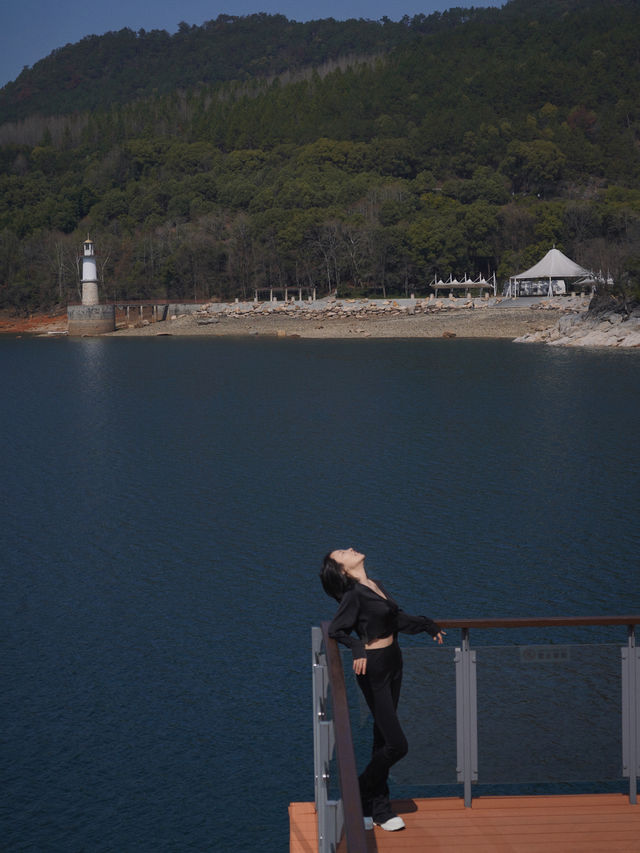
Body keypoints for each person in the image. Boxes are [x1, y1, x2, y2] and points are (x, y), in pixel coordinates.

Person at [320, 547, 444, 832]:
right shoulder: (353, 595)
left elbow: (395, 619)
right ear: (341, 570)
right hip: (373, 668)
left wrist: (426, 625)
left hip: (394, 662)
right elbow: (336, 630)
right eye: (342, 552)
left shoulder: (374, 585)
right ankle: (359, 790)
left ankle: (378, 808)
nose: (350, 549)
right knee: (397, 745)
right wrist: (357, 647)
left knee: (381, 738)